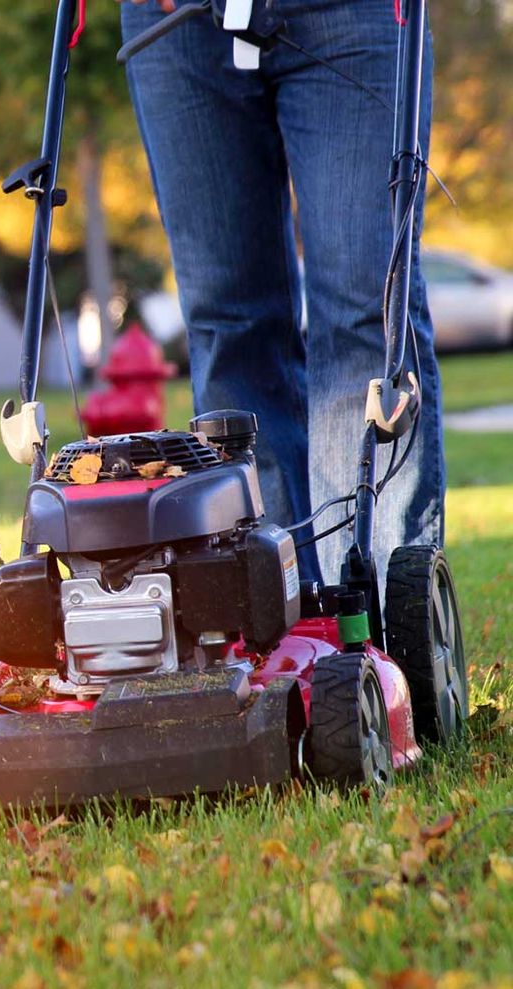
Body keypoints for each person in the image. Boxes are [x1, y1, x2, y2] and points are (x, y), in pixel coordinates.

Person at [120, 0, 441, 585]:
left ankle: (385, 626)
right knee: (226, 319)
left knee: (367, 306)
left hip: (348, 14)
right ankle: (271, 611)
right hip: (179, 25)